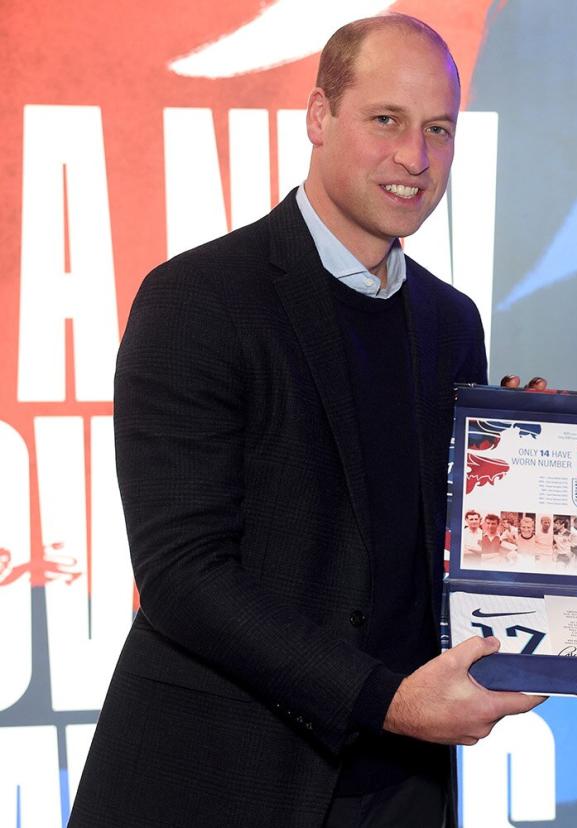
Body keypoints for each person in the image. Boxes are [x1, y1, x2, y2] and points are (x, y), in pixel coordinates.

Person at [70, 15, 544, 827]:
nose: (415, 159)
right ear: (319, 116)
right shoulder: (199, 299)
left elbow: (437, 547)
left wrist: (569, 502)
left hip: (398, 787)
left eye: (439, 130)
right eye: (386, 120)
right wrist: (386, 700)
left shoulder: (450, 321)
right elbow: (183, 576)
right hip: (217, 776)